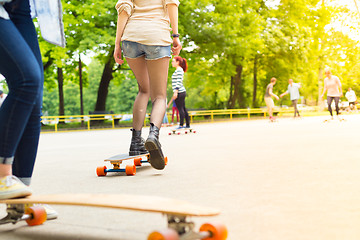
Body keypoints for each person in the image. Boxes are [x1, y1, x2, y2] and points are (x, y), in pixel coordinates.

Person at [0, 0, 63, 207]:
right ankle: (2, 175)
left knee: (34, 100)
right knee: (27, 80)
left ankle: (20, 196)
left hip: (21, 8)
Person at [114, 0, 181, 170]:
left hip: (131, 38)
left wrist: (117, 44)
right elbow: (172, 5)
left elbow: (123, 10)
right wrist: (175, 36)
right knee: (159, 96)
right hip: (156, 36)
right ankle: (153, 136)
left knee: (143, 89)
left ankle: (136, 141)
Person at [170, 56, 190, 129]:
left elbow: (179, 81)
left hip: (179, 92)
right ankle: (187, 124)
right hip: (180, 91)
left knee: (180, 108)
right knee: (183, 108)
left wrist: (176, 91)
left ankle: (181, 125)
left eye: (173, 61)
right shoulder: (178, 70)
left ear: (177, 62)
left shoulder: (179, 70)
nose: (172, 63)